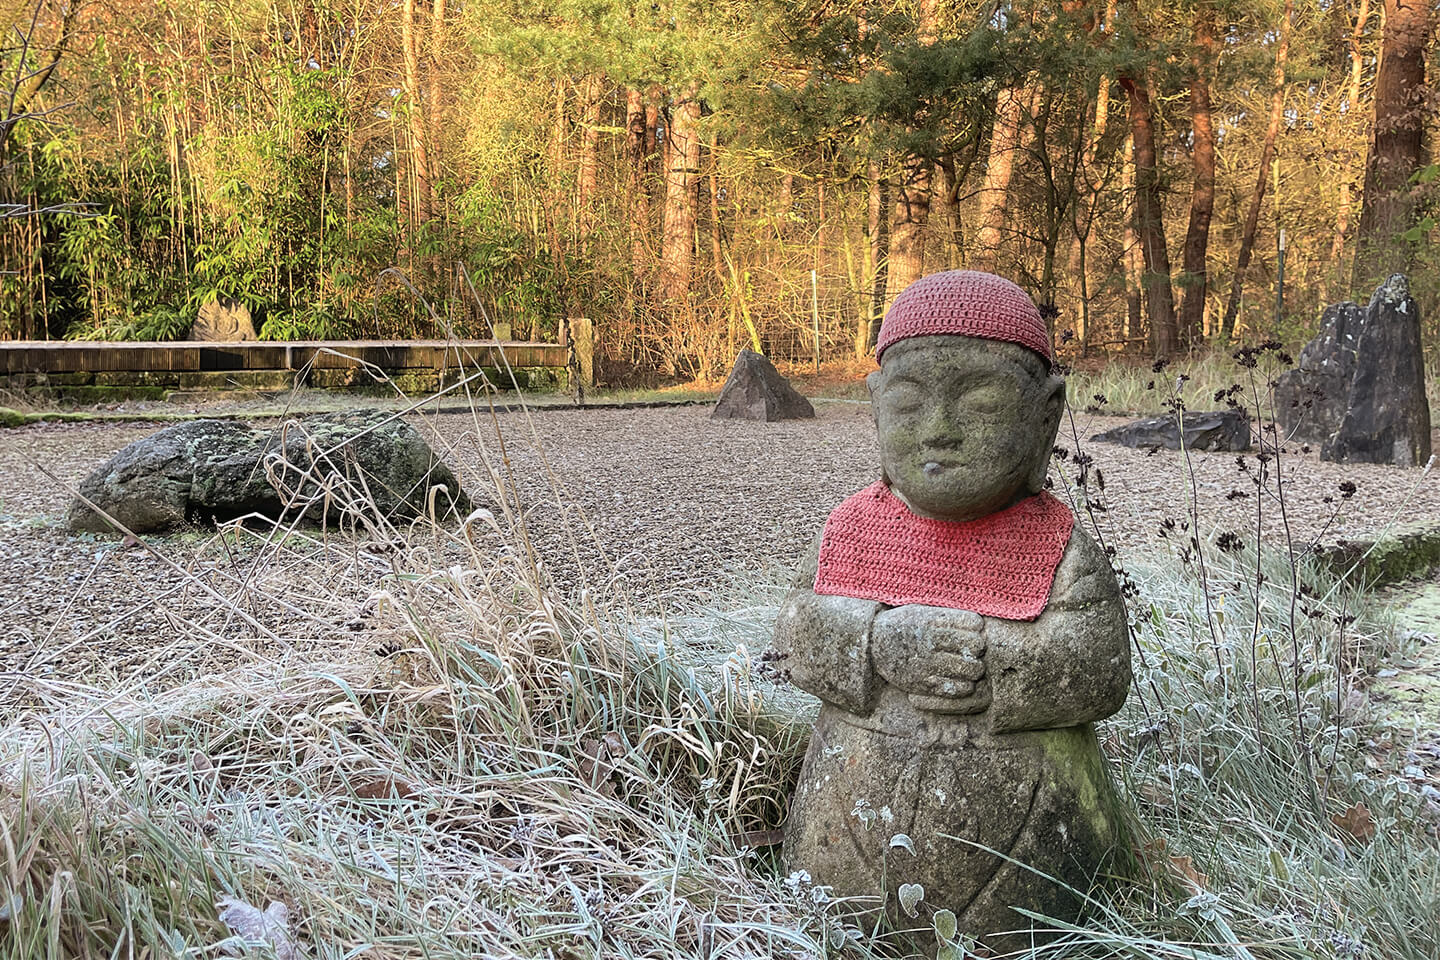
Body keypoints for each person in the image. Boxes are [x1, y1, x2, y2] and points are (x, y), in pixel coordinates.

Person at [772, 270, 1132, 952]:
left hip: (1028, 837)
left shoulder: (1060, 548)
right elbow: (792, 637)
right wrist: (875, 643)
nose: (939, 431)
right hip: (845, 818)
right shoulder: (852, 530)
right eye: (909, 405)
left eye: (982, 403)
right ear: (876, 405)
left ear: (1045, 413)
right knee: (836, 924)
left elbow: (1099, 668)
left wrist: (991, 662)